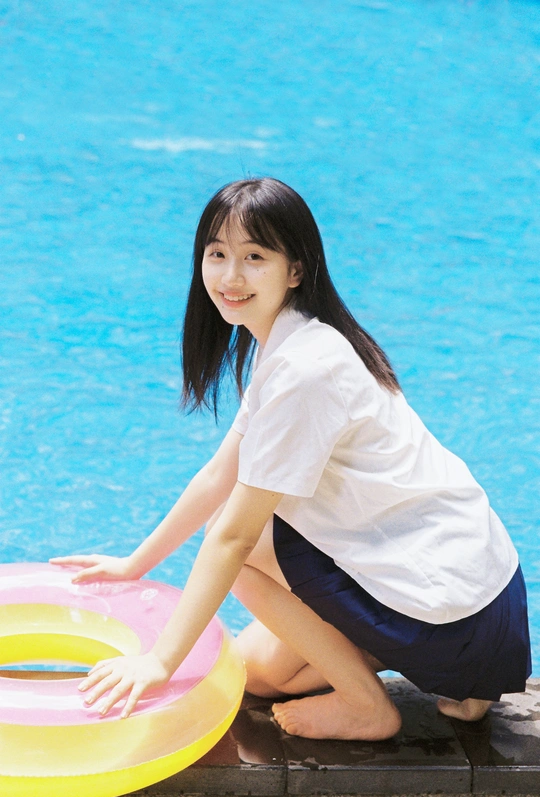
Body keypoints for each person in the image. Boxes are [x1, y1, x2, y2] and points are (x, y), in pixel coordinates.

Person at [51, 177, 531, 741]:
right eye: (217, 254)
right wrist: (135, 564)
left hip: (452, 616)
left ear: (296, 269)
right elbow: (219, 472)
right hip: (483, 606)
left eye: (255, 257)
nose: (230, 277)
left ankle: (367, 706)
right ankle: (453, 681)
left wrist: (159, 662)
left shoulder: (305, 371)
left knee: (240, 539)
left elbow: (232, 538)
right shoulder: (300, 340)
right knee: (259, 671)